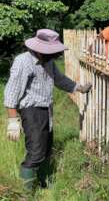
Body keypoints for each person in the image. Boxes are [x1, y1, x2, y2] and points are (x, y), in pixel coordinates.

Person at [4, 29, 92, 190]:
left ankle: (44, 183)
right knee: (36, 151)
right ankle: (25, 192)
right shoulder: (23, 62)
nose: (56, 55)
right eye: (52, 51)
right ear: (40, 49)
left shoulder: (48, 62)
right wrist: (12, 121)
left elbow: (59, 79)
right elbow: (11, 92)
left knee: (46, 147)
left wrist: (79, 88)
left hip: (46, 109)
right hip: (31, 110)